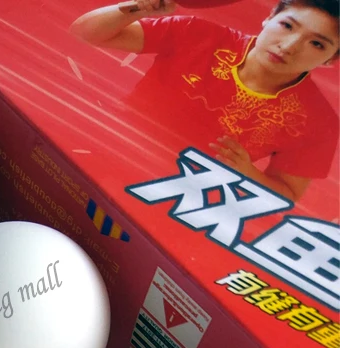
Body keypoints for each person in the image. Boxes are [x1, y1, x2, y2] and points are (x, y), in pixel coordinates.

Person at [70, 0, 340, 202]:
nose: (290, 46)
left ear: (331, 59)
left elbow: (287, 194)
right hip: (105, 148)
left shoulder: (320, 123)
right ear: (269, 17)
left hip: (178, 197)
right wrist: (137, 7)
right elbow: (84, 32)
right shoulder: (196, 34)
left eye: (317, 44)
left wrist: (248, 173)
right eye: (287, 26)